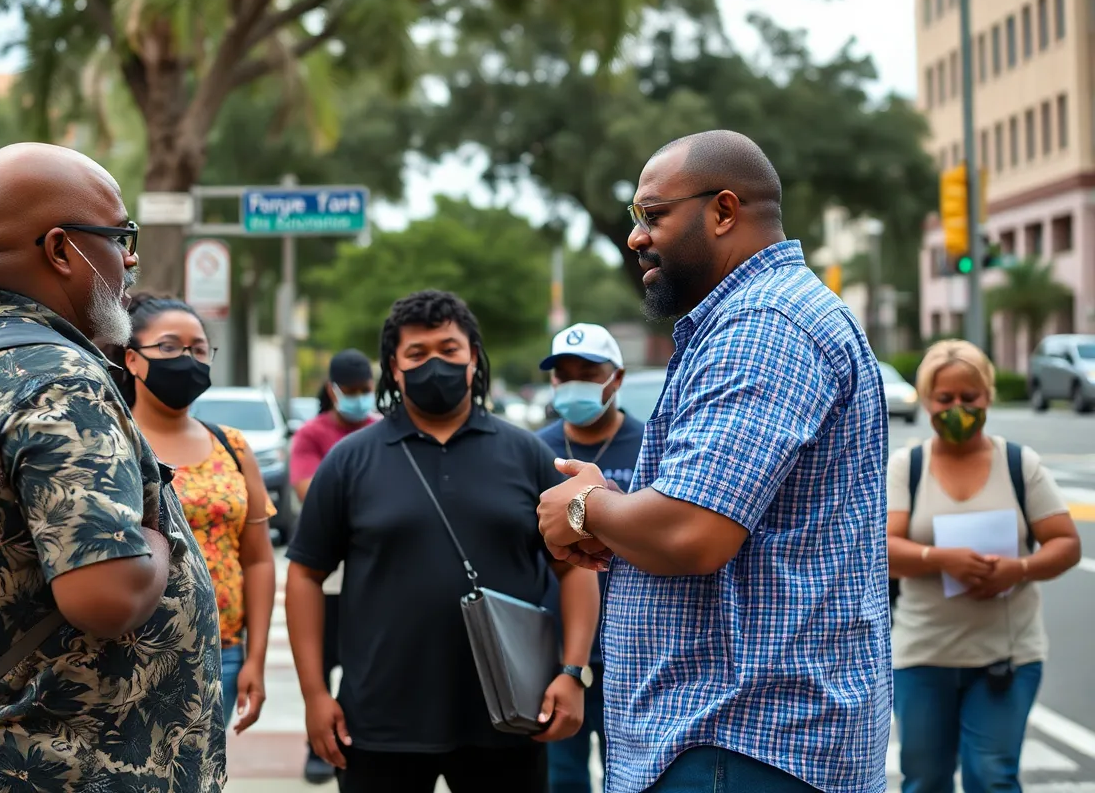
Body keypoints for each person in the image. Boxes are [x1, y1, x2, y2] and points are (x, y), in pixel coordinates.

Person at [537, 130, 891, 793]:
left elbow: (694, 532)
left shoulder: (764, 325)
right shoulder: (761, 316)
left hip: (740, 740)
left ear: (724, 211)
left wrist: (584, 506)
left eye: (653, 215)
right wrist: (616, 523)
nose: (636, 237)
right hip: (741, 741)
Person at [0, 143, 225, 791]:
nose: (130, 259)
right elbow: (106, 595)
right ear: (60, 250)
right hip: (75, 771)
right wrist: (157, 544)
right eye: (119, 237)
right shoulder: (57, 381)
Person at [285, 289, 600, 793]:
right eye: (417, 353)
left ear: (474, 358)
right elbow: (304, 573)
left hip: (512, 716)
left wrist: (573, 672)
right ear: (394, 366)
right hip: (378, 720)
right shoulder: (349, 460)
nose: (435, 363)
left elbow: (575, 568)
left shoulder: (526, 454)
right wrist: (315, 694)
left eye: (450, 350)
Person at [886, 340, 1081, 793]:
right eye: (945, 398)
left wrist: (1021, 569)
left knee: (991, 777)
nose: (957, 409)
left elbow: (1066, 545)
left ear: (987, 397)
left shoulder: (1020, 465)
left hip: (1006, 657)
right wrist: (940, 558)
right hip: (922, 655)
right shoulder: (907, 468)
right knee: (925, 779)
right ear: (927, 401)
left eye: (969, 398)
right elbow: (882, 548)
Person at [106, 293, 277, 733]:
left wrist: (254, 659)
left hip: (222, 652)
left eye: (198, 349)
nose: (187, 358)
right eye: (168, 347)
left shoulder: (234, 447)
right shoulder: (110, 444)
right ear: (133, 359)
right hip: (128, 654)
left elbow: (257, 558)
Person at [534, 323, 644, 793]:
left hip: (632, 647)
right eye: (563, 375)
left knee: (633, 775)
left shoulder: (650, 446)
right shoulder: (535, 448)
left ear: (615, 379)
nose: (573, 383)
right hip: (553, 652)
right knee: (561, 777)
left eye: (587, 372)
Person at [288, 348, 379, 783]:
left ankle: (357, 740)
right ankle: (318, 745)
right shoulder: (310, 434)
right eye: (354, 391)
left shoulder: (382, 431)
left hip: (371, 581)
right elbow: (311, 494)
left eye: (367, 390)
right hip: (325, 580)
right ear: (333, 390)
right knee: (322, 667)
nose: (361, 398)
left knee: (366, 666)